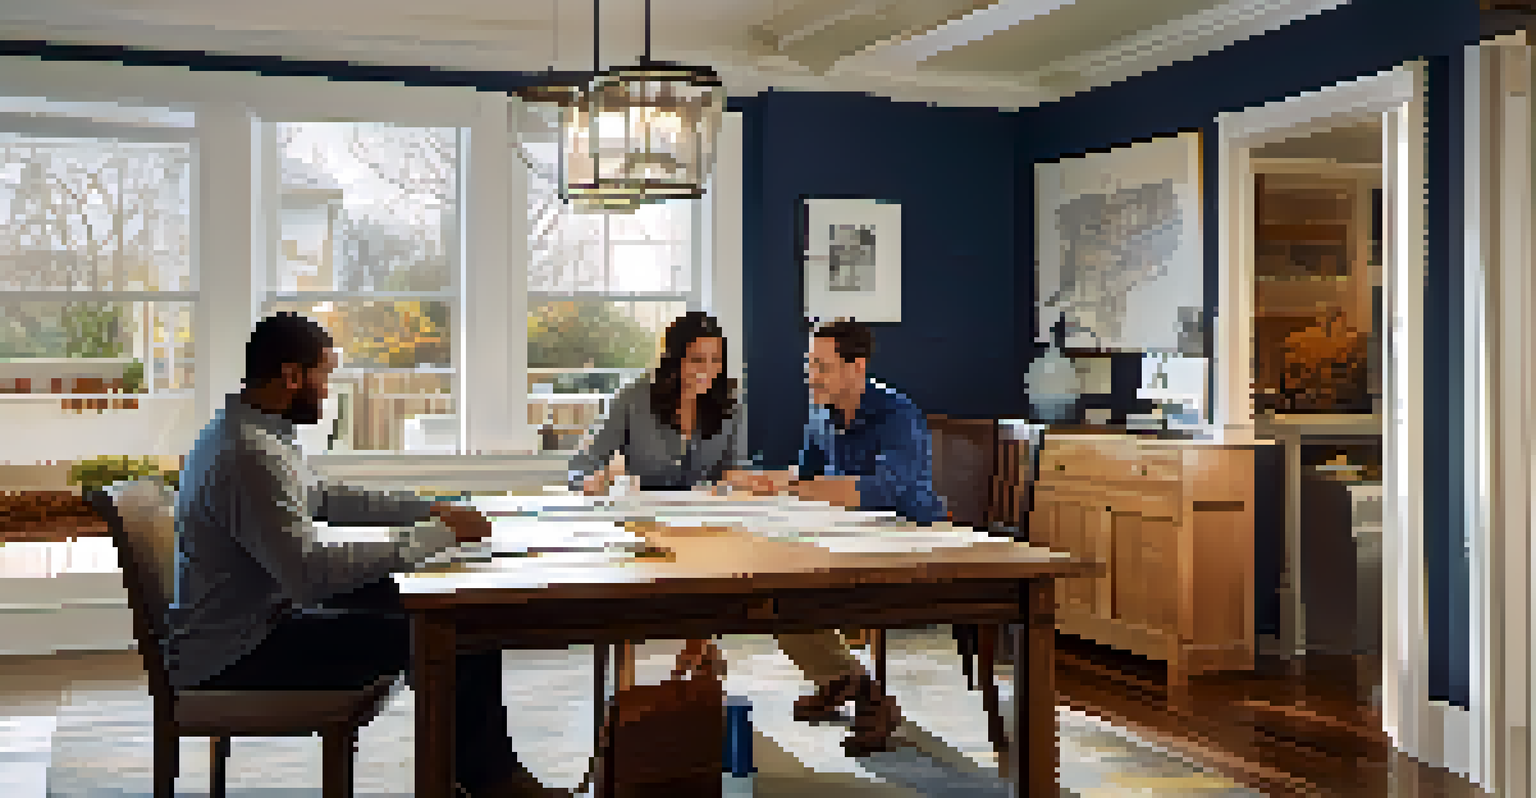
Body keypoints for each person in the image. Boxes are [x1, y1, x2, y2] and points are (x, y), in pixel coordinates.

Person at [167, 312, 561, 798]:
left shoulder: (254, 433)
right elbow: (309, 575)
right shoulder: (248, 454)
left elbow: (326, 498)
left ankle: (473, 776)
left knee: (454, 617)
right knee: (451, 636)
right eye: (324, 374)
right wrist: (433, 537)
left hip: (254, 624)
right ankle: (490, 783)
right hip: (240, 653)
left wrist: (427, 508)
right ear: (291, 376)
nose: (327, 390)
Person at [726, 319, 950, 758]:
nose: (811, 376)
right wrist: (761, 482)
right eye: (810, 364)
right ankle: (845, 680)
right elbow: (807, 476)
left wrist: (791, 487)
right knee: (770, 583)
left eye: (822, 367)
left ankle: (854, 688)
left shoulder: (897, 415)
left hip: (909, 540)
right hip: (851, 536)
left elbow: (879, 492)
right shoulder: (821, 413)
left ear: (856, 367)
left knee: (794, 590)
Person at [567, 311, 750, 495]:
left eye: (716, 360)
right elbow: (581, 468)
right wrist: (591, 480)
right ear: (674, 360)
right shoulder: (632, 400)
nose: (708, 370)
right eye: (697, 359)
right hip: (645, 511)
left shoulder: (731, 405)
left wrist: (747, 482)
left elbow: (734, 472)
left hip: (710, 511)